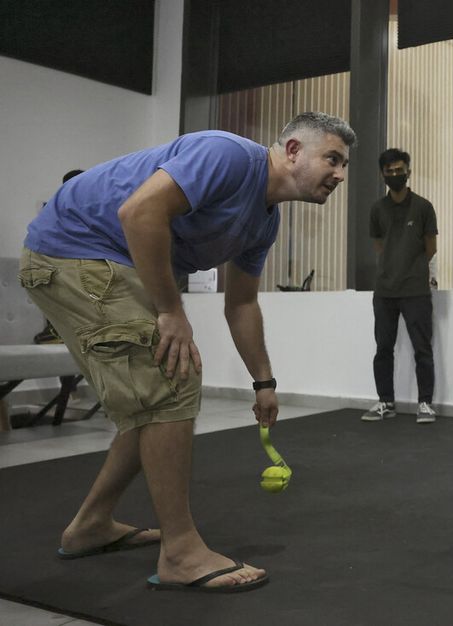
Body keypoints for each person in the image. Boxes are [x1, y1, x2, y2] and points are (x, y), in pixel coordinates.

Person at [18, 112, 356, 592]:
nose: (341, 175)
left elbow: (241, 303)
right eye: (334, 159)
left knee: (156, 394)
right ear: (294, 150)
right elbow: (139, 212)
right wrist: (169, 309)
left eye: (344, 165)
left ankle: (92, 524)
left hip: (108, 259)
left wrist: (264, 383)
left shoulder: (263, 222)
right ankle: (180, 552)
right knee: (170, 381)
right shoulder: (229, 156)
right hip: (73, 249)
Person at [362, 148, 439, 424]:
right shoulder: (377, 209)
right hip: (384, 292)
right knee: (383, 349)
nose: (395, 175)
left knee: (423, 349)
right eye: (390, 171)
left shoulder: (423, 207)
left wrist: (412, 268)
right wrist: (394, 265)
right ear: (383, 174)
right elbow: (380, 246)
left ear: (408, 171)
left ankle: (426, 404)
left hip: (416, 291)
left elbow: (430, 248)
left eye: (399, 170)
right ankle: (385, 402)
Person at [32, 169, 85, 345]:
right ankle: (56, 332)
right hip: (61, 265)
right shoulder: (68, 207)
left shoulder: (56, 207)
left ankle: (56, 332)